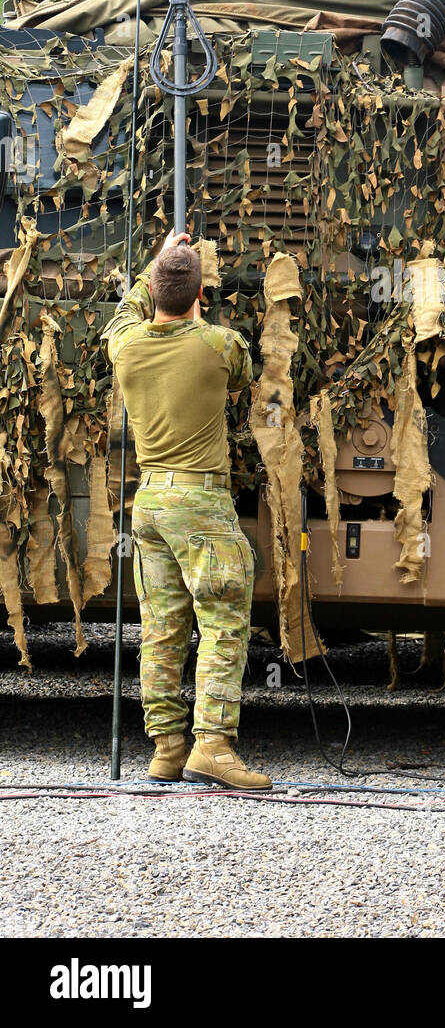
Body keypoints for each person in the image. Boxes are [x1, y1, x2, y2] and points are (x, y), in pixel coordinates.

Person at [104, 230, 270, 790]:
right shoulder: (221, 346)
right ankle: (214, 747)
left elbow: (125, 314)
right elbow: (246, 379)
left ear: (151, 290)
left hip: (148, 502)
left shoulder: (125, 345)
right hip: (200, 503)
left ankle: (167, 749)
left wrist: (157, 264)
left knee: (161, 628)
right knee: (223, 621)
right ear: (202, 292)